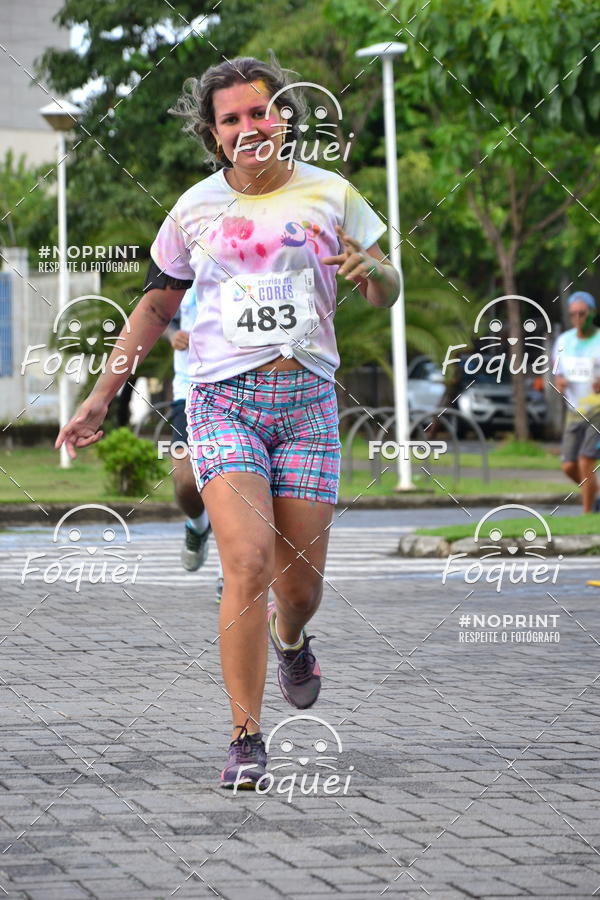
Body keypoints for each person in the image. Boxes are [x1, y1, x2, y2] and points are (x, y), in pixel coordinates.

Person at [55, 56, 400, 790]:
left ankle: (292, 639)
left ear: (283, 117)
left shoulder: (331, 195)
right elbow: (154, 308)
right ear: (214, 135)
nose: (250, 128)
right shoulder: (194, 210)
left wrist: (375, 276)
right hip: (223, 404)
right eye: (232, 119)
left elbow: (388, 282)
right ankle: (246, 734)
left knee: (299, 589)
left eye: (260, 112)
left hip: (307, 408)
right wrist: (98, 397)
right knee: (246, 562)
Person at [164, 287, 212, 572]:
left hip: (237, 389)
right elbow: (158, 314)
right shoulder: (179, 265)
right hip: (189, 390)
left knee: (237, 484)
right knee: (184, 479)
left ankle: (231, 577)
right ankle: (199, 526)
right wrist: (172, 335)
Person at [553, 290, 600, 513]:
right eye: (573, 314)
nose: (578, 318)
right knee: (568, 465)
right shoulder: (564, 341)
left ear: (592, 313)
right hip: (574, 410)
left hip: (597, 409)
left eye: (582, 313)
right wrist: (560, 381)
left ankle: (587, 513)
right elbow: (558, 373)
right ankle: (594, 495)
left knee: (585, 460)